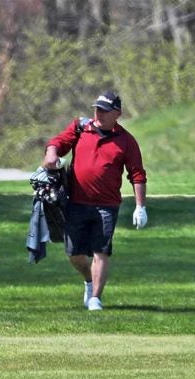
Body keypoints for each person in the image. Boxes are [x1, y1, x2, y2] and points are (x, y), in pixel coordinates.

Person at [42, 90, 148, 311]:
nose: (98, 113)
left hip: (107, 206)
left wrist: (140, 207)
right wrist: (51, 154)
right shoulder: (80, 128)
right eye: (96, 109)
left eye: (104, 110)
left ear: (117, 113)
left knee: (101, 250)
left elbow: (137, 174)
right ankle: (89, 280)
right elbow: (57, 143)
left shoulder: (126, 141)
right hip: (77, 202)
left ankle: (95, 299)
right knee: (74, 254)